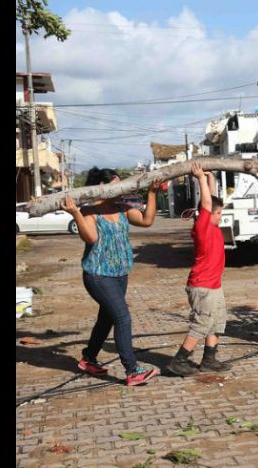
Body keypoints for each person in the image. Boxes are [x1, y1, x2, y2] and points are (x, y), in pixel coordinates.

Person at [61, 167, 164, 386]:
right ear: (102, 187)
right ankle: (132, 369)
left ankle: (88, 358)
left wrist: (152, 193)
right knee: (122, 317)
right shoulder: (89, 211)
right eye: (116, 184)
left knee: (106, 318)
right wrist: (76, 213)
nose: (121, 189)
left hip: (119, 274)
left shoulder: (123, 209)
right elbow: (90, 238)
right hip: (98, 275)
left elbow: (147, 221)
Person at [167, 162, 230, 376]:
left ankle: (209, 359)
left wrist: (211, 180)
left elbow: (211, 201)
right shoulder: (203, 226)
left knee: (217, 321)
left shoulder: (212, 224)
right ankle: (179, 360)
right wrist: (200, 179)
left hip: (214, 285)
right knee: (202, 323)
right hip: (202, 286)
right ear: (208, 214)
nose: (221, 216)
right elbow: (206, 204)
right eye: (219, 213)